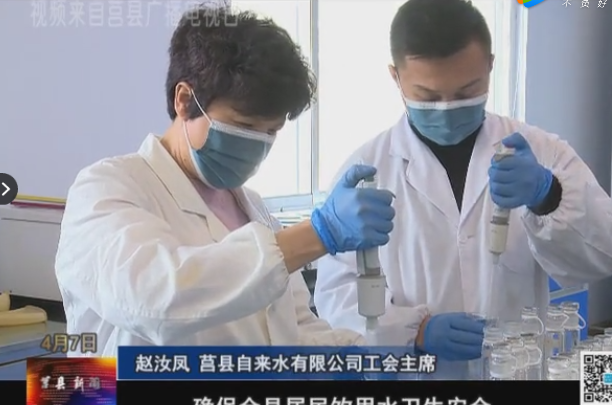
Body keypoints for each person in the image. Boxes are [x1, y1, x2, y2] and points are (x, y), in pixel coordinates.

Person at [313, 0, 612, 378]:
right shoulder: (366, 170)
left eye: (467, 92)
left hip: (517, 372)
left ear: (490, 66)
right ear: (395, 77)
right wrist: (414, 331)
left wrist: (549, 196)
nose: (447, 109)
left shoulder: (541, 150)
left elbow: (607, 254)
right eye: (428, 97)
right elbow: (334, 297)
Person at [54, 6, 395, 356]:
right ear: (184, 100)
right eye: (244, 126)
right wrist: (317, 234)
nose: (258, 143)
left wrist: (359, 356)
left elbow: (293, 330)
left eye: (271, 131)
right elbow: (154, 300)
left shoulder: (253, 209)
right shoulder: (106, 188)